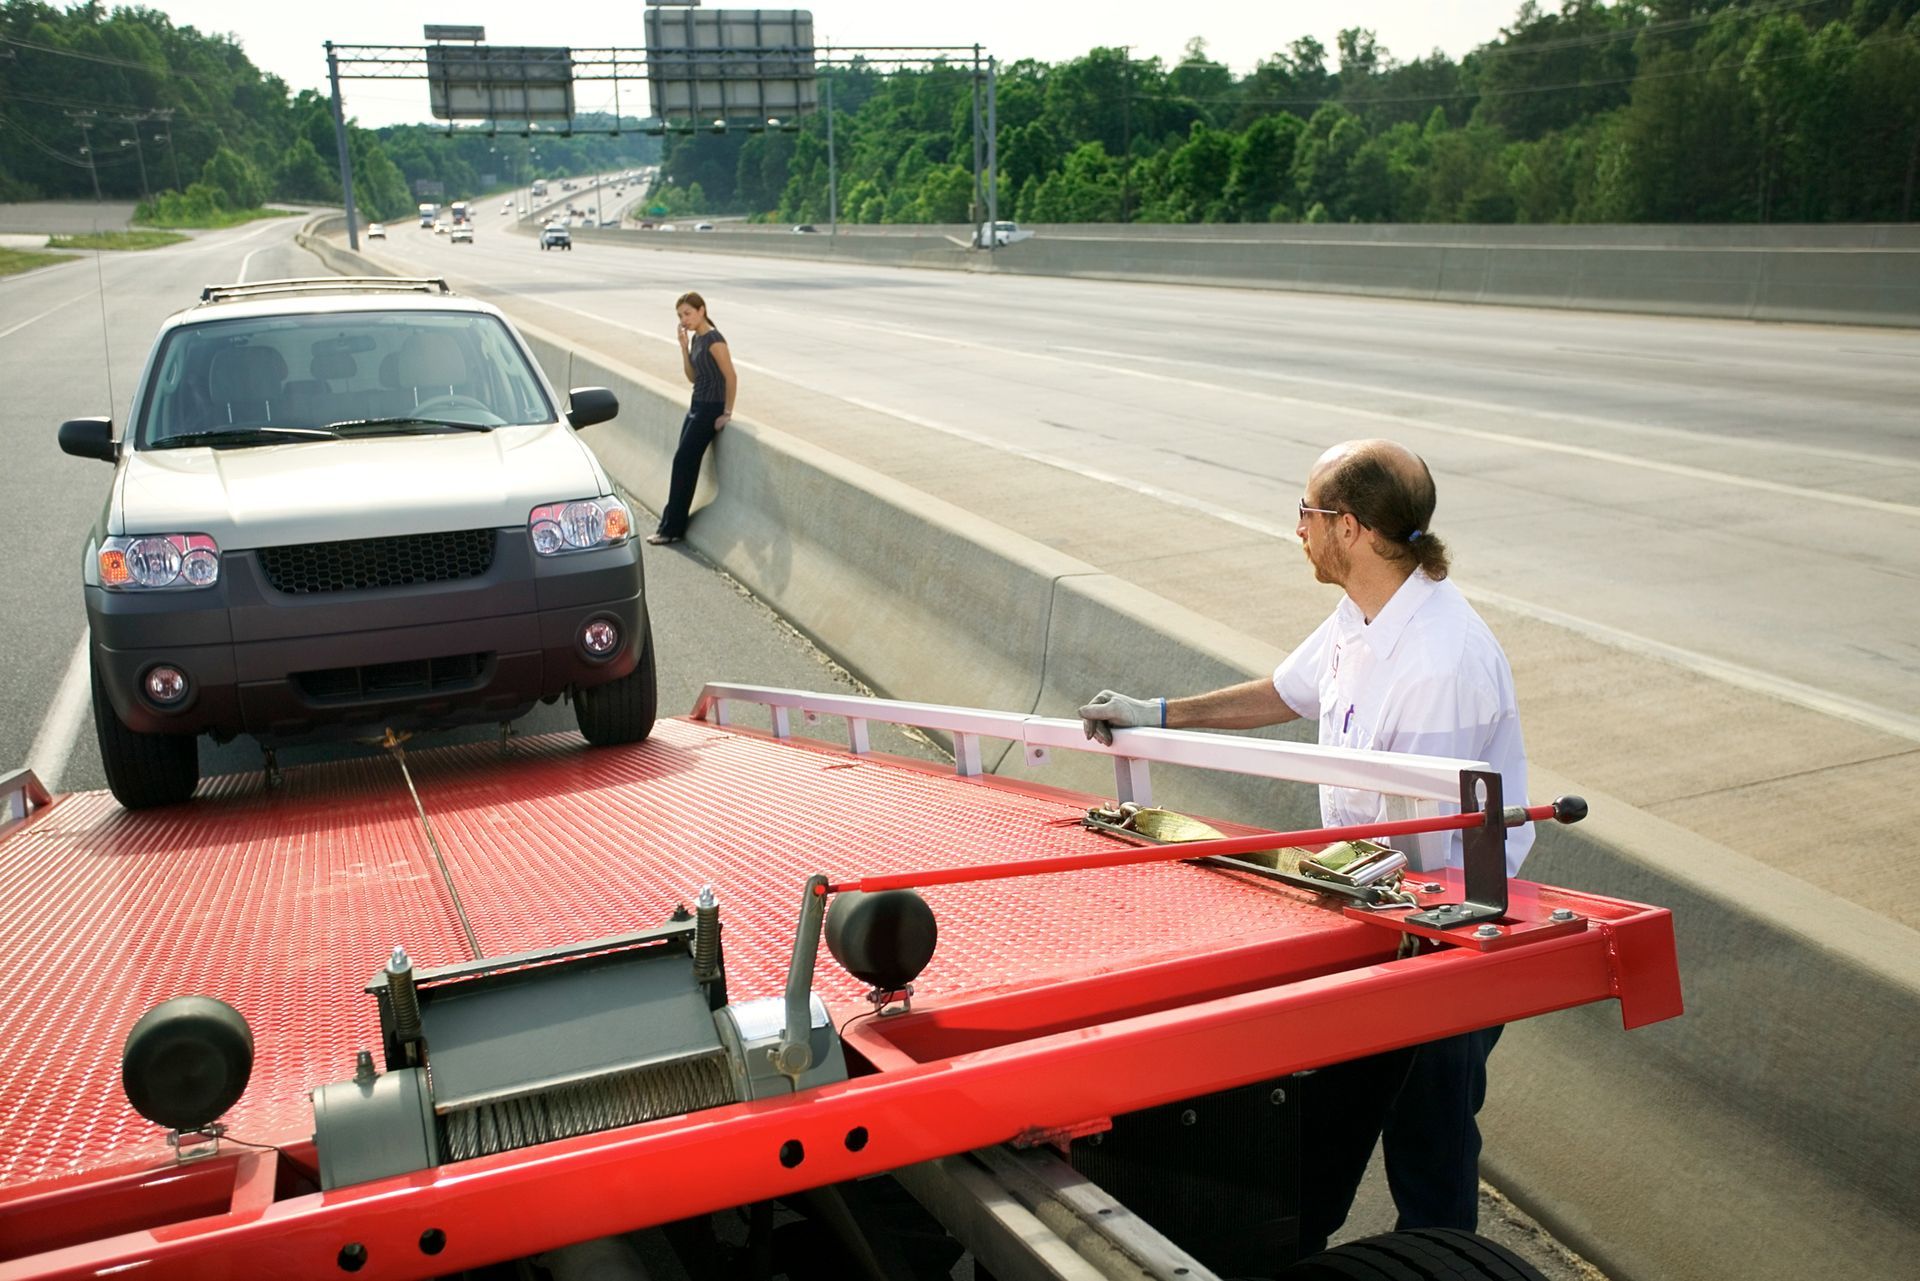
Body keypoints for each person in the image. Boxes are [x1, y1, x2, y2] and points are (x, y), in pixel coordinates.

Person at [1078, 438, 1530, 1257]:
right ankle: (1304, 1240)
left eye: (1308, 513)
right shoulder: (1365, 612)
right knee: (1346, 1104)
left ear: (1350, 528)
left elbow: (1427, 843)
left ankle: (1443, 1259)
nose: (1298, 530)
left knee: (1429, 1128)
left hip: (1439, 928)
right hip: (1370, 910)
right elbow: (1287, 691)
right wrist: (1161, 711)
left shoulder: (1439, 661)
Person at [648, 291, 738, 545]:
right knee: (682, 464)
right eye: (680, 316)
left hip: (710, 409)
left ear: (702, 310)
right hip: (696, 405)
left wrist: (727, 412)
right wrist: (683, 348)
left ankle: (671, 530)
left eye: (687, 313)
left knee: (683, 463)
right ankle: (670, 527)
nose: (684, 319)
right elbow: (693, 377)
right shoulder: (697, 339)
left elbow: (731, 377)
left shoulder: (714, 340)